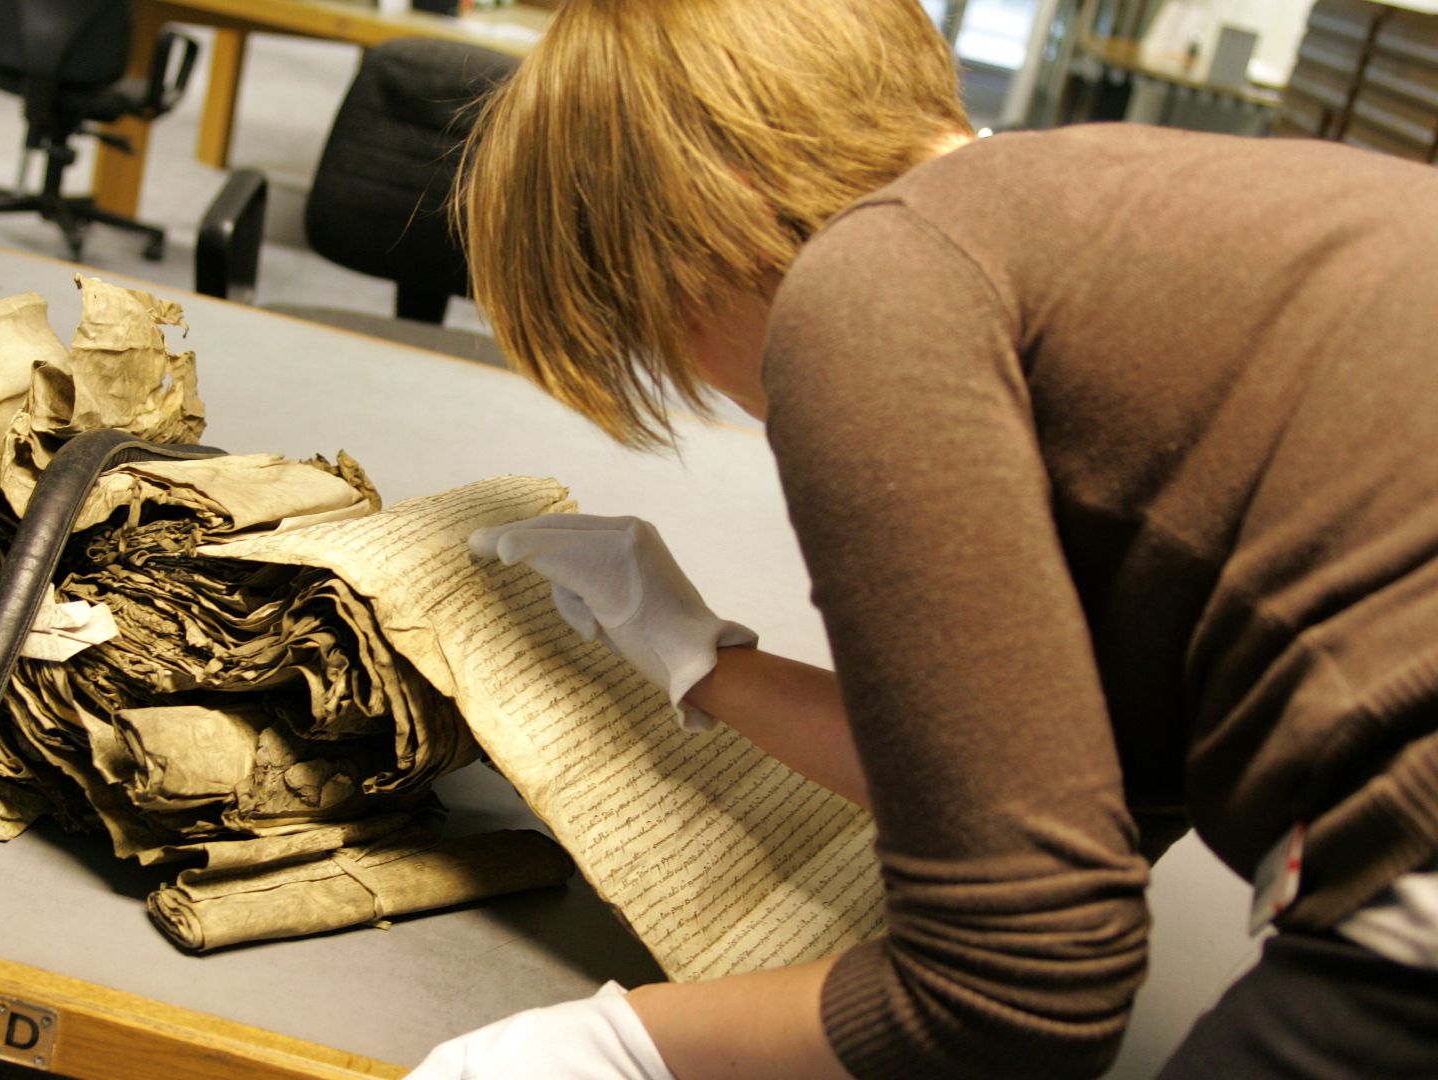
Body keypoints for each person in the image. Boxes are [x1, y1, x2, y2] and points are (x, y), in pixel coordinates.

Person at [408, 0, 1438, 1077]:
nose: (700, 377)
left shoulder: (874, 288)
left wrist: (612, 1046)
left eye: (653, 325)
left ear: (702, 223)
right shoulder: (1100, 218)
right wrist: (699, 659)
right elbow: (1086, 803)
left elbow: (1017, 992)